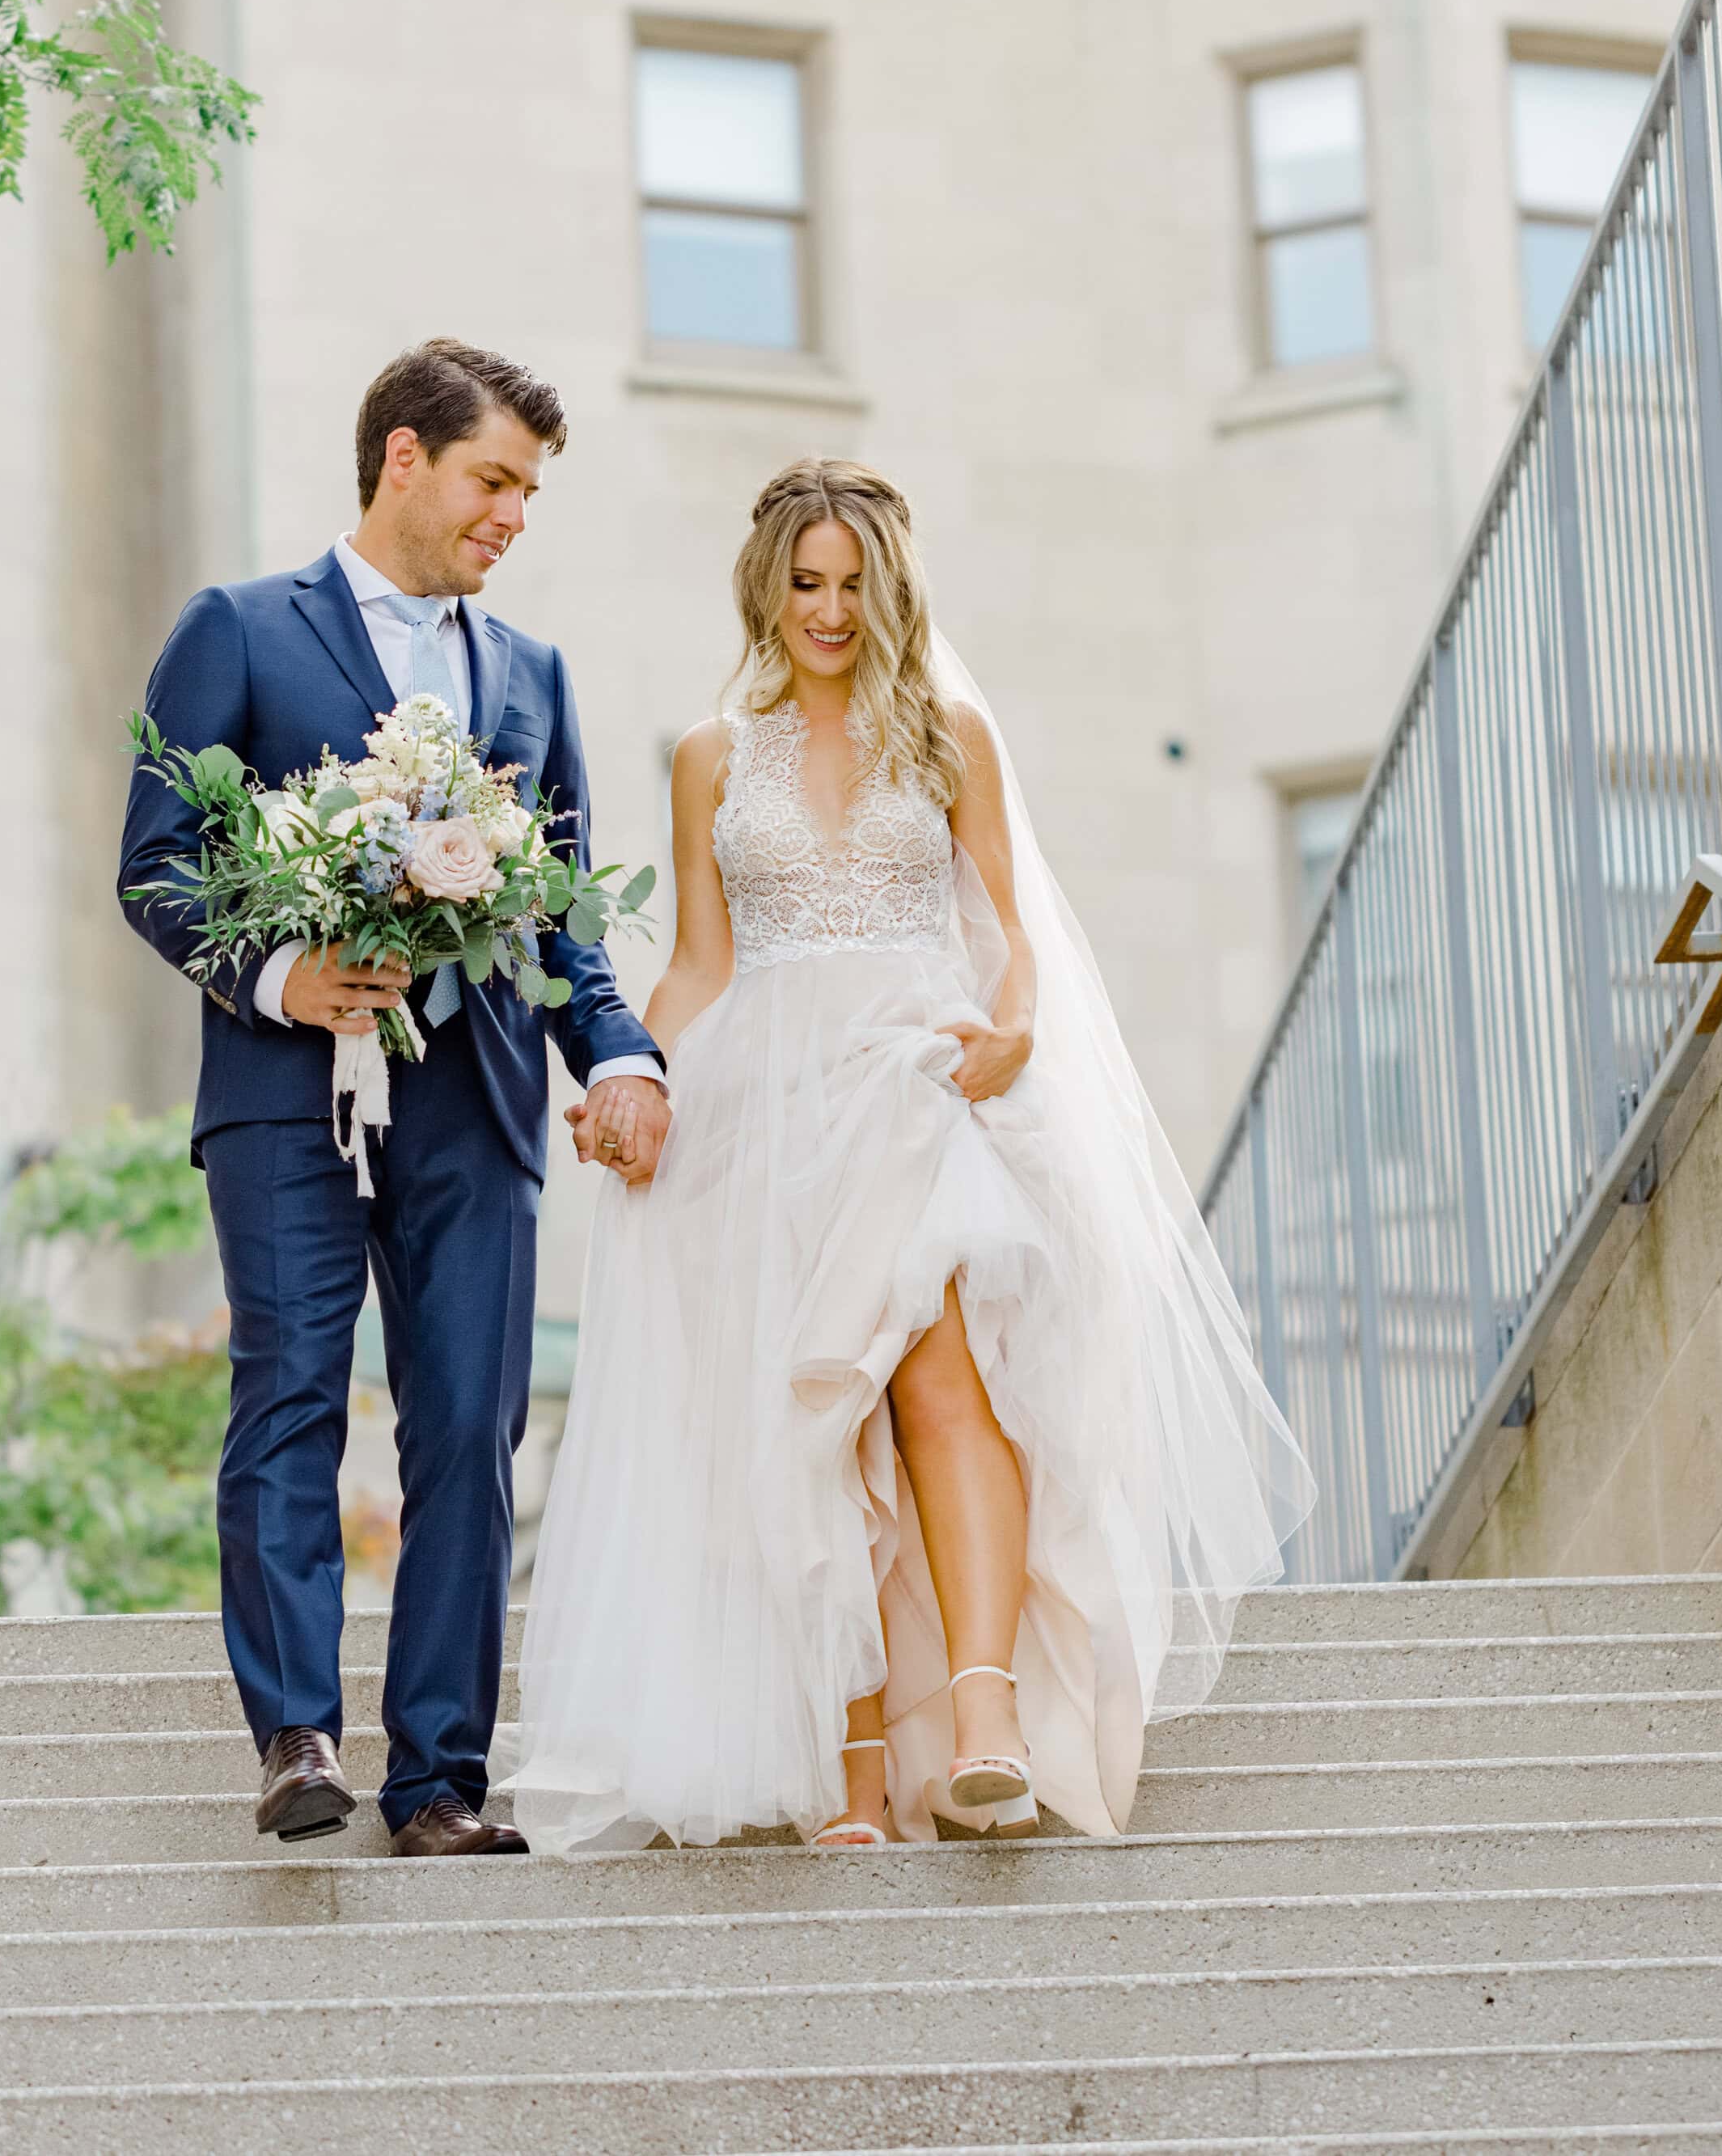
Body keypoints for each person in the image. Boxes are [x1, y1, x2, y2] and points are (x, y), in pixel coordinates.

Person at [507, 459, 1312, 1851]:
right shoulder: (712, 752)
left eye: (853, 581)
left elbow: (1014, 937)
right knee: (809, 1427)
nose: (829, 608)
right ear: (768, 585)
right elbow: (702, 959)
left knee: (942, 1380)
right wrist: (632, 1076)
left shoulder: (948, 731)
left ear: (892, 584)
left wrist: (1009, 1034)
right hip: (762, 1109)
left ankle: (989, 1726)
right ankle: (852, 1778)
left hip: (917, 1079)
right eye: (806, 582)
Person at [116, 338, 671, 1859]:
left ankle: (441, 1780)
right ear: (404, 459)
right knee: (292, 1392)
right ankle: (297, 1735)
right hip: (289, 1092)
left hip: (478, 1105)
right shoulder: (235, 629)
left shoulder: (535, 675)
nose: (513, 515)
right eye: (496, 478)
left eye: (530, 494)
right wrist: (283, 969)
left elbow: (565, 916)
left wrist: (621, 1053)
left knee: (470, 1436)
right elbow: (157, 865)